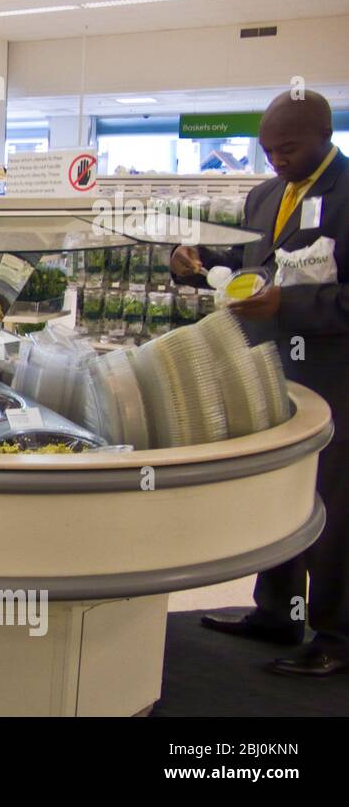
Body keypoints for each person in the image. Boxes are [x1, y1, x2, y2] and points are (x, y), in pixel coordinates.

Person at [171, 89, 348, 677]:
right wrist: (197, 264)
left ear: (324, 134)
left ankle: (336, 636)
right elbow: (258, 264)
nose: (277, 159)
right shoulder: (265, 193)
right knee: (283, 489)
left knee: (335, 502)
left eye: (288, 148)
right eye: (269, 149)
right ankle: (277, 611)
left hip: (334, 373)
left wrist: (288, 305)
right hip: (274, 368)